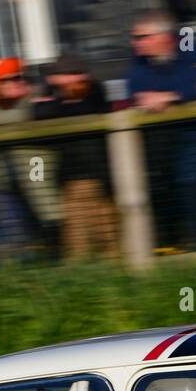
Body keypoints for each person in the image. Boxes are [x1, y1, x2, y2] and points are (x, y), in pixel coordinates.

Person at [127, 9, 196, 250]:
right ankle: (182, 245)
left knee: (193, 183)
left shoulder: (192, 49)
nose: (135, 43)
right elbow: (136, 92)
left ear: (164, 37)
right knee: (165, 184)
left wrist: (172, 95)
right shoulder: (139, 62)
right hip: (169, 142)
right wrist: (178, 93)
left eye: (141, 37)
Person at [34, 53, 119, 262]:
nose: (73, 80)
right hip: (70, 182)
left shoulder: (96, 92)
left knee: (110, 239)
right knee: (78, 244)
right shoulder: (51, 96)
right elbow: (41, 113)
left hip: (102, 179)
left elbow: (89, 108)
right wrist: (62, 99)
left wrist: (63, 100)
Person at [0, 58, 50, 253]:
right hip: (1, 178)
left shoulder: (35, 95)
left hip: (34, 168)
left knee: (45, 213)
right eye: (3, 81)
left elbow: (25, 115)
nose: (11, 83)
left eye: (15, 78)